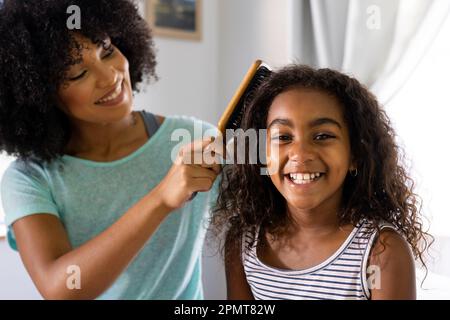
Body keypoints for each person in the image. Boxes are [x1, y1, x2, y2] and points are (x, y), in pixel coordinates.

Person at [0, 0, 220, 299]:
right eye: (78, 74)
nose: (109, 77)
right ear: (40, 96)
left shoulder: (193, 140)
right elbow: (60, 288)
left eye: (107, 51)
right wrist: (161, 199)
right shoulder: (29, 179)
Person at [211, 65, 431, 300]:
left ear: (355, 154)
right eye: (283, 137)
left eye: (322, 136)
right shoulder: (243, 242)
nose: (301, 153)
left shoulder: (381, 252)